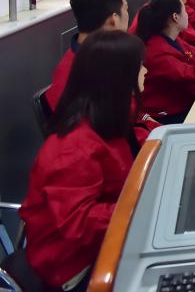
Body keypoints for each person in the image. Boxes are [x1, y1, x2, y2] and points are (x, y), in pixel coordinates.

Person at [20, 32, 153, 291]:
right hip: (74, 264)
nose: (146, 71)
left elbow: (124, 152)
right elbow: (79, 222)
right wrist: (146, 208)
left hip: (109, 236)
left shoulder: (109, 116)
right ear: (119, 78)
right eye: (139, 66)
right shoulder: (73, 148)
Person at [46, 0, 130, 111]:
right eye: (126, 9)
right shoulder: (74, 78)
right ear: (113, 20)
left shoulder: (98, 58)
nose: (128, 15)